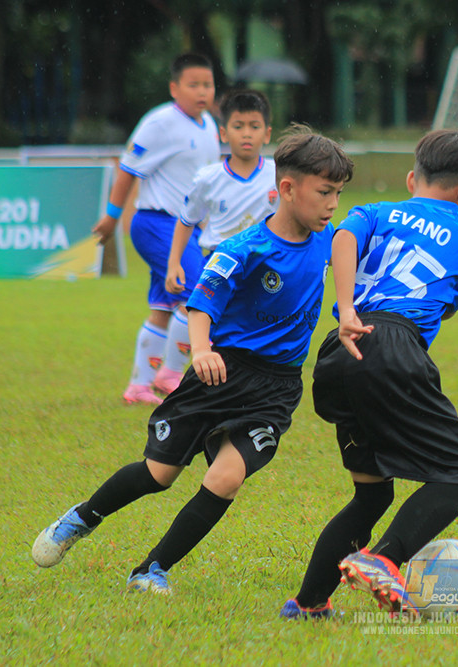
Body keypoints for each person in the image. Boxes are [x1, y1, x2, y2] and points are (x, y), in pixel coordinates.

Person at [31, 128, 354, 594]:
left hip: (277, 388)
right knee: (159, 475)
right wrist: (200, 350)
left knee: (226, 478)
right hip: (221, 372)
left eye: (338, 194)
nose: (332, 204)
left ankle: (150, 570)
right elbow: (201, 304)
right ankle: (82, 517)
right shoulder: (244, 249)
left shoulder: (331, 242)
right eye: (325, 192)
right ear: (287, 189)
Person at [280, 129, 458, 620]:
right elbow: (448, 304)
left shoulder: (375, 211)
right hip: (393, 348)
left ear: (412, 179)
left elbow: (345, 236)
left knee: (372, 492)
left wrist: (348, 306)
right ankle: (383, 560)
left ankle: (309, 602)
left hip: (340, 349)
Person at [93, 53, 221, 406]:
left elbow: (202, 185)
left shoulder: (209, 125)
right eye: (193, 85)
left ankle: (139, 385)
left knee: (164, 306)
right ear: (174, 88)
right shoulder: (160, 122)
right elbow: (129, 168)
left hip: (187, 229)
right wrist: (112, 215)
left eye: (207, 85)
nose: (201, 92)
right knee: (198, 296)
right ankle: (171, 373)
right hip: (156, 224)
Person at [165, 89, 278, 296]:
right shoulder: (207, 178)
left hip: (264, 267)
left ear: (267, 133)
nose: (246, 133)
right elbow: (186, 220)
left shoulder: (279, 176)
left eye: (254, 126)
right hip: (217, 266)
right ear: (223, 133)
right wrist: (174, 264)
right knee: (207, 322)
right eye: (238, 126)